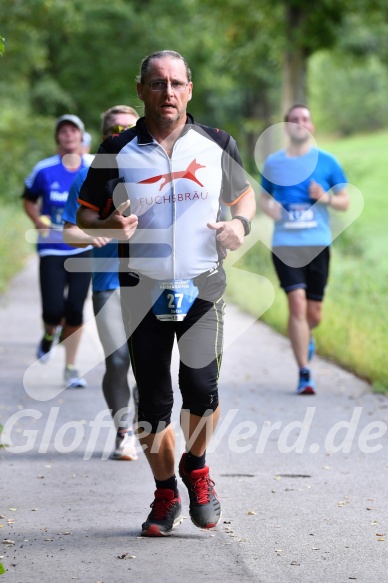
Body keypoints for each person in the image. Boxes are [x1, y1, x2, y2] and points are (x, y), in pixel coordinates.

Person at [76, 50, 256, 536]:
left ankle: (196, 469)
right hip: (141, 290)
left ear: (190, 90)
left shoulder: (217, 143)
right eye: (157, 84)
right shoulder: (116, 149)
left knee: (202, 389)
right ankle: (164, 495)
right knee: (153, 403)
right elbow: (84, 217)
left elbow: (245, 197)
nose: (168, 92)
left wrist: (239, 224)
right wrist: (111, 224)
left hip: (203, 285)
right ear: (141, 91)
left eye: (177, 83)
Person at [63, 105, 140, 460]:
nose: (119, 133)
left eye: (126, 128)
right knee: (118, 359)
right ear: (106, 135)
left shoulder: (152, 171)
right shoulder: (89, 176)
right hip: (109, 281)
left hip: (153, 282)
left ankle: (149, 418)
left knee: (149, 363)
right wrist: (91, 233)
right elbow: (70, 231)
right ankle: (124, 432)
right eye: (113, 129)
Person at [259, 104, 349, 395]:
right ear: (286, 127)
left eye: (305, 119)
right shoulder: (273, 163)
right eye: (294, 119)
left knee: (314, 313)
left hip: (318, 244)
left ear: (311, 126)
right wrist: (270, 208)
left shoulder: (328, 161)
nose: (299, 123)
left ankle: (307, 335)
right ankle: (304, 372)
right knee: (296, 303)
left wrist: (324, 198)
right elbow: (263, 199)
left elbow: (344, 201)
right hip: (286, 244)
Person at [22, 114, 93, 389]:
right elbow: (29, 201)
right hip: (51, 248)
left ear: (80, 136)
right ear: (58, 138)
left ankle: (71, 368)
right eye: (63, 131)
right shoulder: (44, 169)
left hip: (82, 248)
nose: (68, 135)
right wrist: (38, 220)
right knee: (53, 311)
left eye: (73, 131)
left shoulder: (92, 169)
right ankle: (49, 334)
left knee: (75, 311)